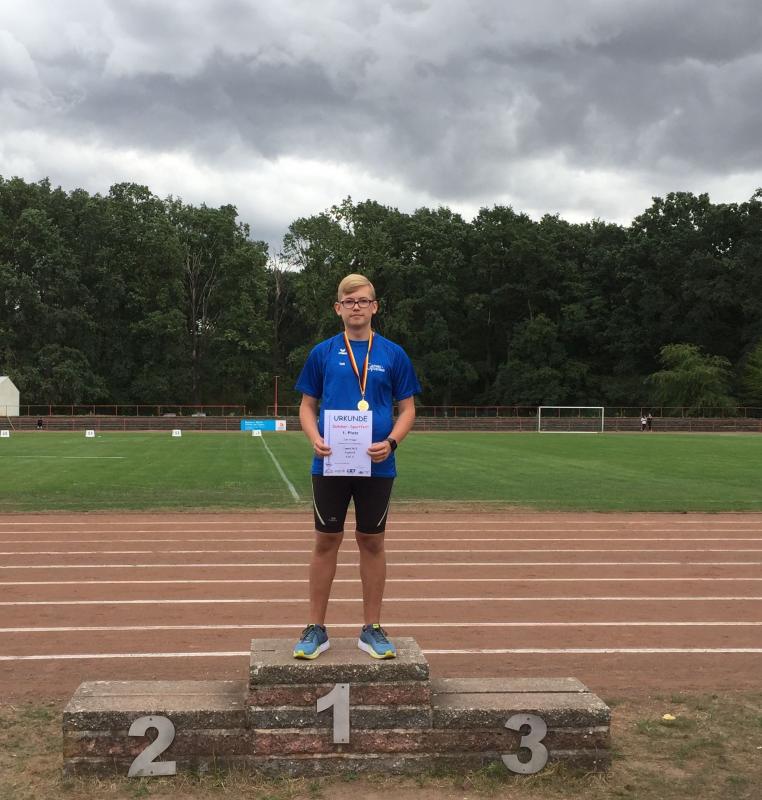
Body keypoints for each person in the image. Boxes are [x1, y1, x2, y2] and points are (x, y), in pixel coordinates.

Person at [292, 273, 421, 660]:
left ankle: (372, 628)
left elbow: (408, 409)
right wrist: (314, 437)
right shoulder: (323, 352)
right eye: (349, 302)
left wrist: (392, 442)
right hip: (330, 463)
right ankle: (315, 628)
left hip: (377, 464)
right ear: (338, 308)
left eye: (363, 301)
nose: (356, 307)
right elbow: (307, 406)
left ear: (374, 306)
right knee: (325, 541)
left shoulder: (393, 354)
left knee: (372, 541)